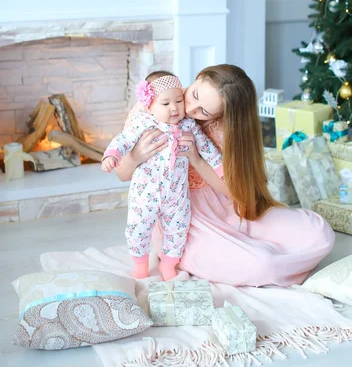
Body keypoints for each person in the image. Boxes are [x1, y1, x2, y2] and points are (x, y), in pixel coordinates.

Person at [115, 64, 335, 287]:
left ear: (221, 114)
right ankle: (233, 255)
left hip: (228, 207)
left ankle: (256, 248)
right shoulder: (156, 106)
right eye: (194, 95)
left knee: (319, 233)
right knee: (262, 265)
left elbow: (235, 191)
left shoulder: (228, 128)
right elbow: (121, 173)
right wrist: (136, 157)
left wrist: (197, 160)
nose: (190, 110)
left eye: (204, 111)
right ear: (198, 77)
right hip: (182, 213)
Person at [102, 71, 223, 281]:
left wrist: (219, 167)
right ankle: (140, 265)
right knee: (137, 229)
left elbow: (207, 148)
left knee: (178, 231)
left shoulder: (189, 126)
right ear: (150, 106)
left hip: (176, 195)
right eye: (165, 103)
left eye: (178, 100)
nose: (174, 108)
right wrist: (112, 155)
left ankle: (168, 265)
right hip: (145, 194)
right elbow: (123, 140)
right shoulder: (143, 123)